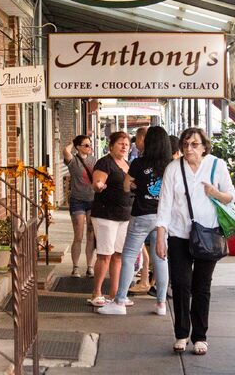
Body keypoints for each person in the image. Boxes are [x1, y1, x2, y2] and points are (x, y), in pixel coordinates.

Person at [154, 127, 235, 355]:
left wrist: (215, 193)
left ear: (204, 146)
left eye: (195, 144)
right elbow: (165, 203)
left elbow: (231, 195)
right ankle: (181, 333)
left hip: (208, 234)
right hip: (179, 234)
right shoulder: (173, 168)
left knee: (202, 286)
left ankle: (200, 336)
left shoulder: (217, 165)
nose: (190, 149)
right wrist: (161, 236)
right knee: (180, 284)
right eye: (186, 144)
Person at [98, 126, 172, 316]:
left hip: (141, 214)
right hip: (163, 218)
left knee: (129, 257)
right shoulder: (172, 165)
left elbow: (125, 186)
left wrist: (137, 186)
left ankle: (120, 301)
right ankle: (161, 304)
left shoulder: (139, 163)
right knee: (161, 259)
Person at [88, 131, 134, 306]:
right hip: (106, 215)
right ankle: (97, 292)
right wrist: (99, 185)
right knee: (105, 255)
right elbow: (97, 183)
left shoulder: (126, 164)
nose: (124, 147)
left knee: (118, 255)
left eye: (127, 144)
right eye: (120, 143)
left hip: (124, 215)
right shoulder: (105, 162)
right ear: (111, 146)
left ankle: (115, 294)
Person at [63, 135, 96, 277]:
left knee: (90, 234)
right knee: (78, 235)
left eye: (90, 145)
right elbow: (65, 150)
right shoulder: (73, 160)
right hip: (77, 200)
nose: (89, 147)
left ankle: (90, 266)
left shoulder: (94, 160)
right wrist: (72, 142)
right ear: (78, 147)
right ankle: (75, 267)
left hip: (92, 199)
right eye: (86, 145)